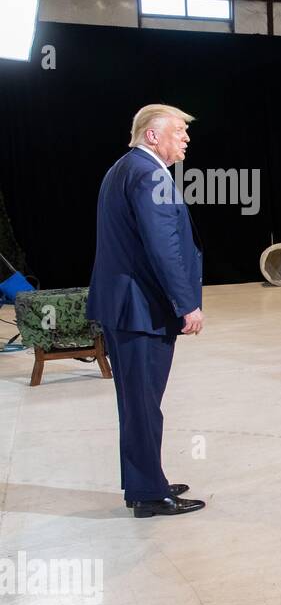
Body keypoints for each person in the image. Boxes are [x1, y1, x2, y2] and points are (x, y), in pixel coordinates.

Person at [86, 104, 205, 518]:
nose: (186, 138)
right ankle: (150, 496)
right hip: (140, 311)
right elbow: (163, 247)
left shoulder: (127, 167)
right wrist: (186, 302)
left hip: (128, 307)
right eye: (179, 131)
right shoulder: (150, 173)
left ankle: (144, 483)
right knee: (142, 404)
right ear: (152, 135)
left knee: (137, 403)